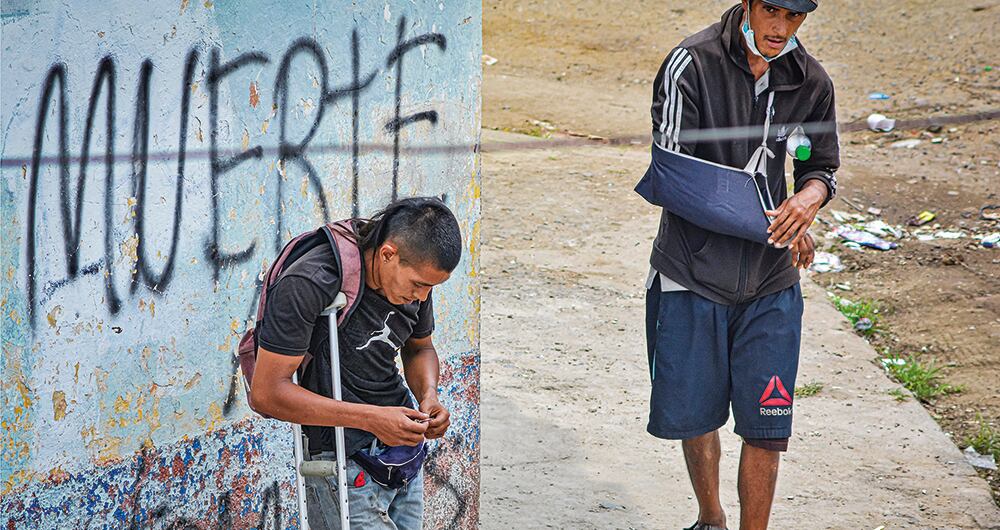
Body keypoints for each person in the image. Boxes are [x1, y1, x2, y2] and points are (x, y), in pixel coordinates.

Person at [643, 1, 838, 529]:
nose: (781, 27)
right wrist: (772, 225)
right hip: (692, 272)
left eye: (794, 17)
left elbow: (822, 166)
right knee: (695, 414)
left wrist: (808, 200)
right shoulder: (690, 64)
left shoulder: (811, 80)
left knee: (767, 427)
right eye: (771, 10)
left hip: (771, 281)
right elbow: (677, 176)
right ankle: (711, 518)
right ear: (748, 4)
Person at [249, 197, 463, 529]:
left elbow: (420, 348)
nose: (422, 297)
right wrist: (371, 419)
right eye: (419, 285)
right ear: (388, 254)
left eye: (430, 288)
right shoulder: (310, 280)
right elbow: (266, 393)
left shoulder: (415, 274)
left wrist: (429, 395)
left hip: (401, 449)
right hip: (340, 458)